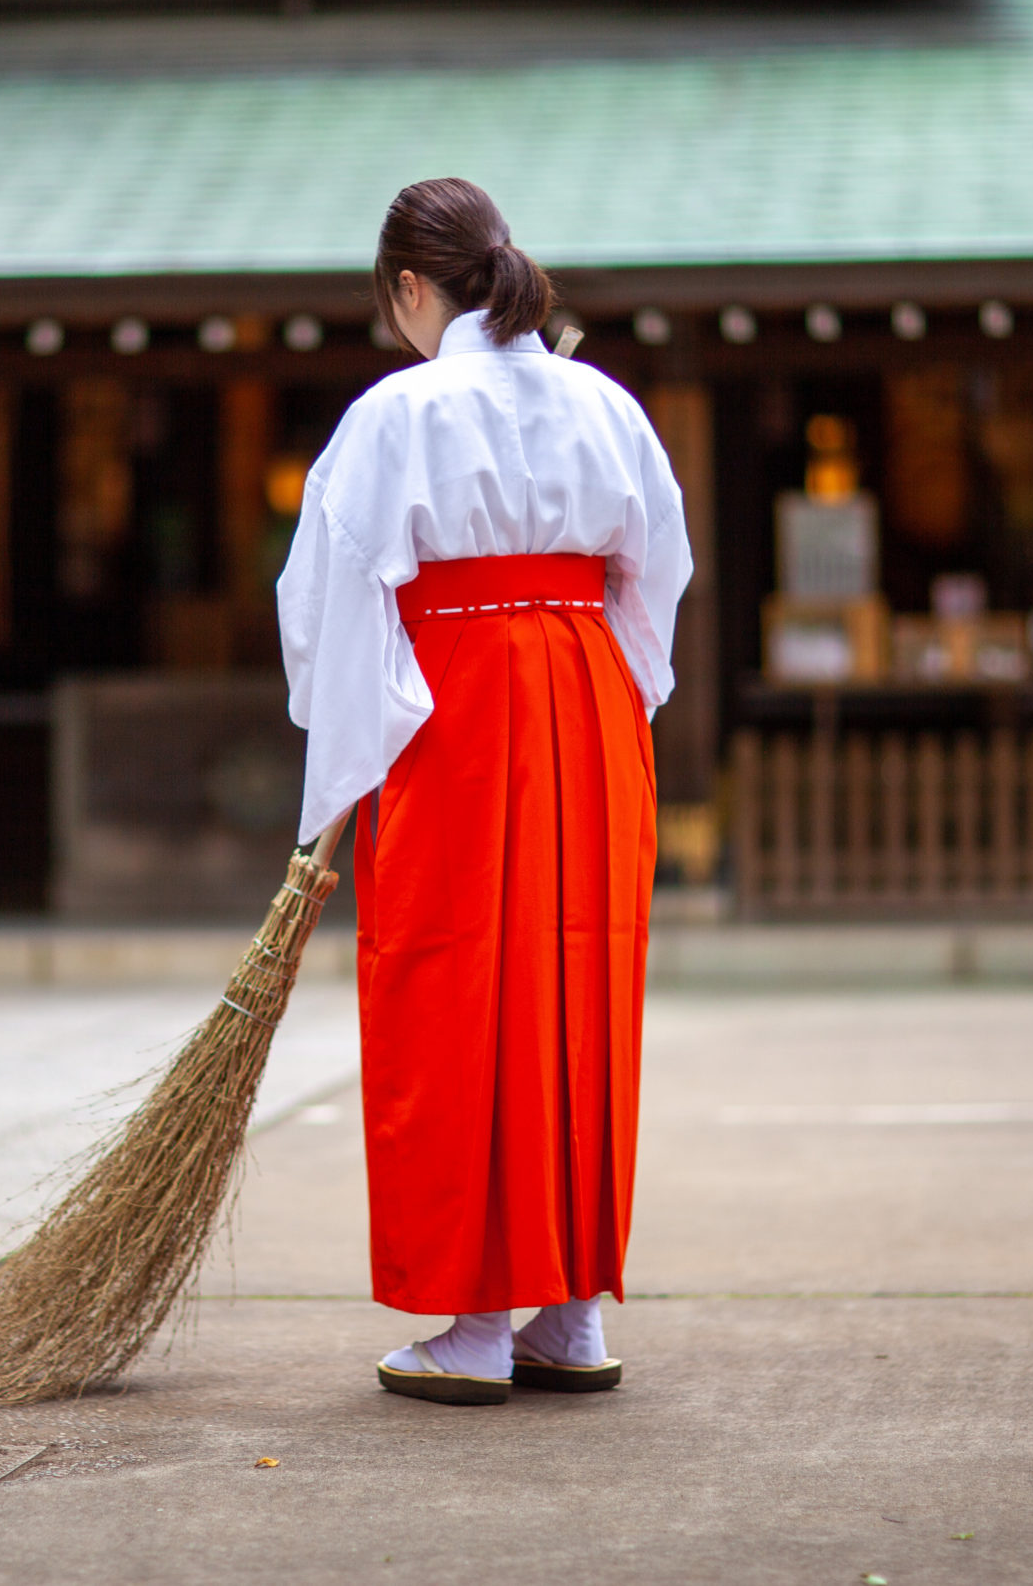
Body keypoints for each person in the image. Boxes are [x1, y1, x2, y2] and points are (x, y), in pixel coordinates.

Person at [276, 178, 690, 1405]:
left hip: (451, 698)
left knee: (453, 980)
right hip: (586, 687)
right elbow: (654, 573)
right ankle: (566, 1314)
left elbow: (329, 598)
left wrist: (352, 747)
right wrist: (609, 692)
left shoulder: (399, 410)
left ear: (411, 287)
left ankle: (468, 1324)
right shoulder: (602, 401)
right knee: (577, 978)